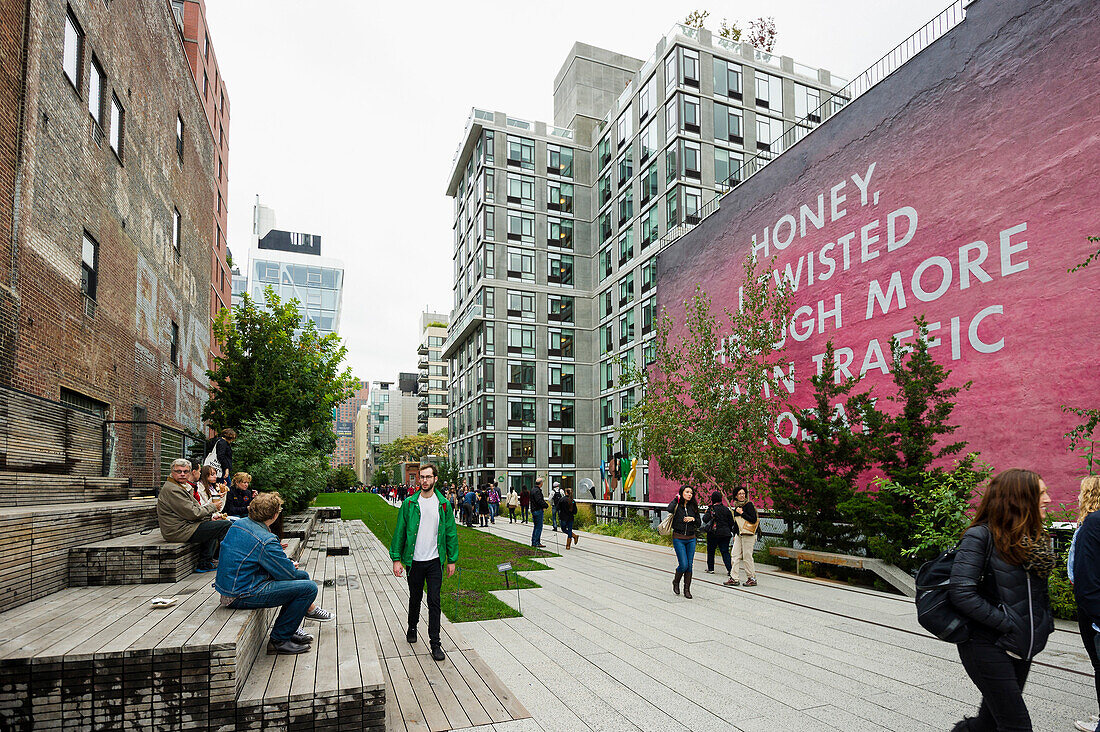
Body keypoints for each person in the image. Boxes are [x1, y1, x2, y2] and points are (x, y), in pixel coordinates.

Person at [948, 468, 1054, 732]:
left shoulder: (1034, 539)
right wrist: (1007, 622)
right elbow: (961, 592)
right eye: (1041, 493)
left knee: (989, 722)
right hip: (986, 644)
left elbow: (1037, 595)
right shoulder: (980, 536)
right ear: (1019, 498)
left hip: (1021, 646)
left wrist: (1043, 623)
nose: (1049, 499)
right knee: (1016, 726)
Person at [214, 491, 333, 655]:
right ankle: (279, 640)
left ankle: (291, 628)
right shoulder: (266, 539)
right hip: (241, 593)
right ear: (275, 514)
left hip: (231, 587)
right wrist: (289, 563)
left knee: (303, 577)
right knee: (309, 588)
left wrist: (282, 560)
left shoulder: (240, 524)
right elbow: (287, 574)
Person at [389, 463, 458, 662]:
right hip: (414, 562)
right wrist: (396, 559)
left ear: (436, 479)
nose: (425, 480)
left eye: (429, 477)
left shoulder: (443, 504)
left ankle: (435, 643)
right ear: (419, 479)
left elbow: (451, 533)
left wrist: (451, 560)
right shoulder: (410, 503)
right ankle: (412, 626)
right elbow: (400, 532)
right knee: (415, 597)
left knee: (434, 601)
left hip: (435, 561)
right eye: (422, 477)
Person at [156, 458, 230, 572]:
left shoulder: (181, 486)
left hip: (186, 526)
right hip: (178, 531)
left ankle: (206, 561)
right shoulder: (172, 489)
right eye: (178, 471)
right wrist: (213, 507)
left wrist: (211, 516)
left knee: (214, 524)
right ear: (172, 472)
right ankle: (224, 560)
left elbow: (196, 509)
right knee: (225, 525)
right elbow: (193, 513)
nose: (182, 474)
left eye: (185, 471)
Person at [1072, 476, 1100, 732]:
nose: (1077, 497)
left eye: (1080, 492)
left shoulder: (1091, 524)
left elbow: (1083, 576)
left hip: (1093, 611)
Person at [667, 485, 700, 599]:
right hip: (679, 538)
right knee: (683, 564)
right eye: (687, 492)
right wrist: (676, 499)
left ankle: (687, 590)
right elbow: (669, 509)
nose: (689, 494)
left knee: (689, 566)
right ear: (682, 493)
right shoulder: (677, 505)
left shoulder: (694, 507)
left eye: (691, 493)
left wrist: (693, 519)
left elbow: (699, 522)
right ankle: (676, 581)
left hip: (691, 538)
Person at [702, 491, 735, 583]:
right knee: (725, 551)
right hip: (725, 533)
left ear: (712, 499)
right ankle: (730, 570)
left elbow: (705, 519)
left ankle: (711, 568)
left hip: (714, 533)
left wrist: (707, 513)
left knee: (711, 550)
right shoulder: (726, 509)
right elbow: (731, 522)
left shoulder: (712, 509)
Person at [730, 487, 759, 587]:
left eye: (743, 493)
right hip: (739, 534)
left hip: (749, 534)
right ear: (736, 496)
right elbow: (736, 523)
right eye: (739, 494)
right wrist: (734, 534)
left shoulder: (749, 505)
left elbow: (753, 519)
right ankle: (734, 578)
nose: (742, 495)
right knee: (735, 555)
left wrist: (742, 513)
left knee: (747, 556)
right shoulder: (736, 507)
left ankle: (751, 578)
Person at [530, 477, 548, 548]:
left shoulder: (533, 490)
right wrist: (545, 505)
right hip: (538, 510)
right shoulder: (537, 491)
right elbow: (539, 500)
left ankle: (534, 541)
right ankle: (536, 542)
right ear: (541, 483)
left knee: (536, 526)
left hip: (534, 510)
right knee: (538, 527)